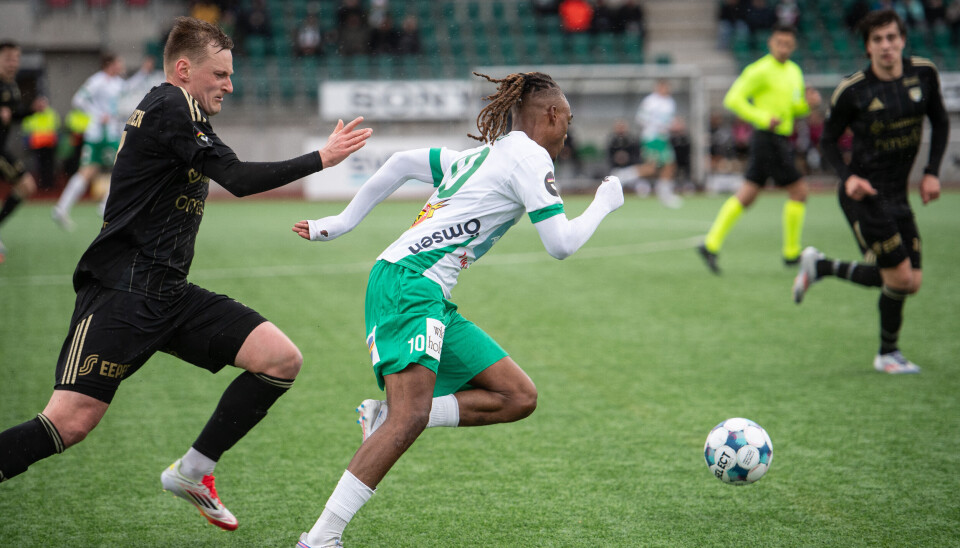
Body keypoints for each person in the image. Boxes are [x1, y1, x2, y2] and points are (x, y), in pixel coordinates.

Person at [0, 17, 371, 535]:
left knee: (280, 360)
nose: (230, 84)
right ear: (184, 68)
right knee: (69, 422)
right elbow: (237, 179)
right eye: (220, 73)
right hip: (121, 293)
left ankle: (193, 471)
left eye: (230, 74)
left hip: (168, 293)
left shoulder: (184, 110)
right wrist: (321, 158)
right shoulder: (171, 106)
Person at [291, 71, 624, 548]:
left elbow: (404, 161)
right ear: (551, 114)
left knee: (517, 396)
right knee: (409, 418)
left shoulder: (483, 155)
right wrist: (603, 204)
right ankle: (320, 538)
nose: (567, 130)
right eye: (567, 120)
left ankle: (387, 418)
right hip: (410, 285)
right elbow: (561, 244)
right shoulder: (529, 156)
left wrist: (343, 223)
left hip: (423, 291)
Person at [792, 10, 949, 374]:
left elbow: (940, 121)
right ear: (867, 47)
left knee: (912, 282)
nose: (886, 46)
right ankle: (887, 353)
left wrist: (931, 173)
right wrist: (847, 177)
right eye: (877, 40)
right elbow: (828, 141)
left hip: (899, 195)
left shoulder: (924, 73)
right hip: (863, 197)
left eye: (892, 37)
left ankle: (821, 266)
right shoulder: (854, 90)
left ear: (902, 40)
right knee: (899, 277)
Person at [697, 24, 821, 274]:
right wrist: (762, 117)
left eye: (788, 44)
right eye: (779, 43)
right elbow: (732, 99)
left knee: (748, 194)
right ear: (770, 43)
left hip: (780, 138)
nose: (783, 48)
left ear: (793, 46)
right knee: (799, 191)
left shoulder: (794, 71)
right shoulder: (759, 70)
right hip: (767, 138)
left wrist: (808, 105)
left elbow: (794, 108)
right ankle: (791, 253)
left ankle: (710, 244)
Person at [51, 53, 129, 230]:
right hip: (100, 134)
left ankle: (62, 208)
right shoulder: (98, 81)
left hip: (109, 133)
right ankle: (104, 206)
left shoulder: (118, 83)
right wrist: (97, 115)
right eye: (119, 62)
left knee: (93, 170)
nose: (121, 65)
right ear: (110, 64)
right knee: (121, 165)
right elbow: (78, 100)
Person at [0, 40, 38, 264]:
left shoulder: (11, 85)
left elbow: (12, 116)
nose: (13, 63)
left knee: (26, 186)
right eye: (8, 58)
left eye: (16, 58)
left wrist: (31, 111)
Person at [622, 79, 682, 207]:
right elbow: (641, 119)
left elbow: (669, 121)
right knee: (651, 167)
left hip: (663, 138)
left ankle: (664, 193)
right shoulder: (650, 101)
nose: (666, 90)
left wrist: (674, 125)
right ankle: (622, 176)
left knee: (670, 165)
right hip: (652, 138)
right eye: (663, 87)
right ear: (658, 87)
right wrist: (657, 125)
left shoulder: (670, 102)